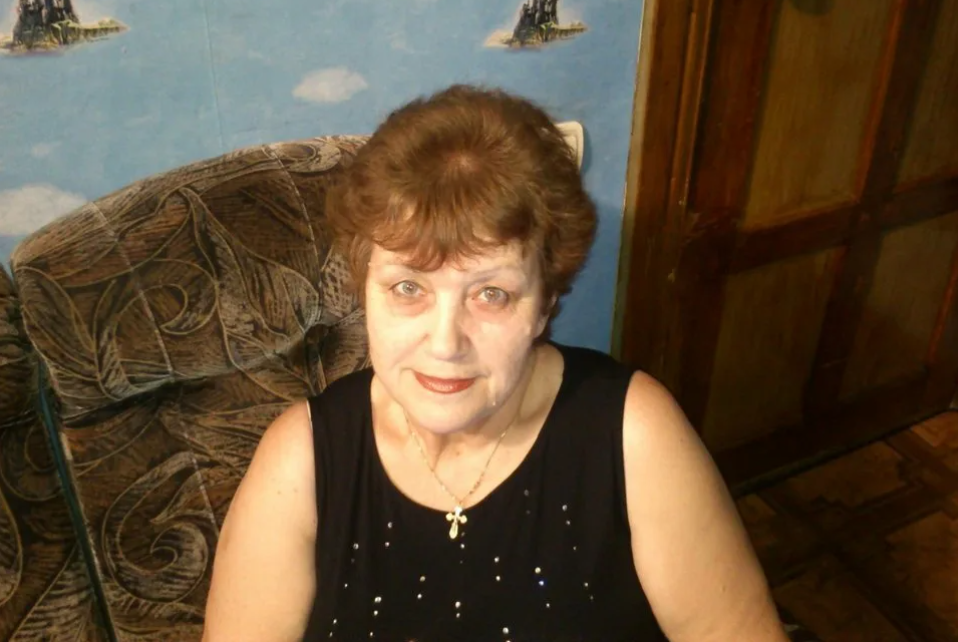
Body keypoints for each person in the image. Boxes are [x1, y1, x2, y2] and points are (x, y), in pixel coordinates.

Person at [202, 85, 788, 642]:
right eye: (408, 288)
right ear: (364, 290)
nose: (445, 343)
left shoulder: (636, 435)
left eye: (491, 294)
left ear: (545, 303)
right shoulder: (300, 458)